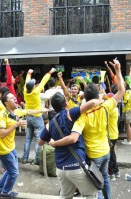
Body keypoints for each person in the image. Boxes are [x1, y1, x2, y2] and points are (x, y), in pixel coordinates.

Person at [51, 58, 125, 199]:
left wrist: (54, 143)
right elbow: (121, 90)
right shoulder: (106, 106)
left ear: (84, 97)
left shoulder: (82, 115)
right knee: (104, 178)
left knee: (94, 185)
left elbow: (73, 137)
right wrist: (118, 70)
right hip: (106, 151)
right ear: (98, 96)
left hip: (93, 155)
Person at [38, 92, 103, 198]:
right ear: (66, 103)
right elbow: (92, 104)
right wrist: (100, 99)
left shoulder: (49, 124)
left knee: (65, 196)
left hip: (60, 168)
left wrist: (52, 140)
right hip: (76, 165)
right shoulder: (70, 113)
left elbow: (40, 142)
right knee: (91, 195)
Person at [22, 68, 56, 165]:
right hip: (37, 117)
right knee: (38, 139)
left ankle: (25, 158)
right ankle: (36, 160)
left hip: (28, 117)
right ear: (33, 87)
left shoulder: (25, 91)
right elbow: (43, 81)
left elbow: (26, 81)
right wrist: (49, 72)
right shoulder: (36, 92)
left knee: (28, 139)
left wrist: (28, 73)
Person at [121, 66, 131, 145]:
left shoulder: (127, 92)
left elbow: (125, 101)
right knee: (127, 125)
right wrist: (130, 70)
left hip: (127, 110)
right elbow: (129, 80)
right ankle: (128, 139)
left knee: (127, 126)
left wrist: (120, 99)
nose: (123, 83)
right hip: (130, 110)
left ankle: (129, 140)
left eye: (124, 82)